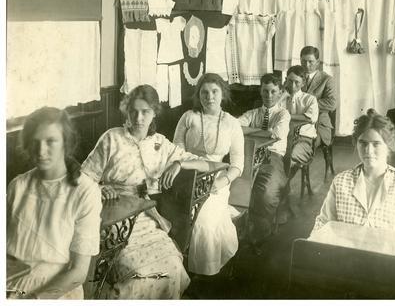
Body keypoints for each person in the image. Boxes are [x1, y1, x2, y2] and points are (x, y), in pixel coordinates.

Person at [82, 85, 212, 299]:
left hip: (145, 216)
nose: (139, 118)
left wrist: (178, 163)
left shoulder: (160, 143)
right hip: (113, 216)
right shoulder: (111, 139)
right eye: (133, 111)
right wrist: (100, 187)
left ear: (154, 113)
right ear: (126, 111)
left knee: (170, 264)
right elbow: (83, 177)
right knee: (136, 273)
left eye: (145, 112)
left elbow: (204, 164)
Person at [7, 107, 102, 299]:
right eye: (35, 142)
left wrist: (34, 300)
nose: (41, 151)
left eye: (51, 141)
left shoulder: (85, 191)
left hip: (56, 292)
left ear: (65, 144)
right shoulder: (18, 185)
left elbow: (78, 273)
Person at [173, 73, 244, 276]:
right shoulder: (189, 117)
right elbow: (176, 148)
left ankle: (202, 271)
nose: (209, 97)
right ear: (198, 95)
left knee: (202, 221)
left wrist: (222, 182)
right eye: (204, 92)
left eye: (214, 91)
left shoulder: (232, 123)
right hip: (185, 175)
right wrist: (183, 166)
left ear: (223, 94)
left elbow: (238, 164)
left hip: (216, 180)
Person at [312, 109, 395, 235]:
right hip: (346, 253)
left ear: (389, 146)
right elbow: (323, 225)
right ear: (356, 143)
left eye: (376, 144)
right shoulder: (341, 182)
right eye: (363, 143)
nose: (368, 151)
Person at [238, 74, 291, 248]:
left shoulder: (283, 113)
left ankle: (259, 234)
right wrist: (263, 131)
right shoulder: (252, 113)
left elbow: (277, 134)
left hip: (272, 157)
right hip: (248, 155)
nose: (268, 96)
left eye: (273, 92)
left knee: (265, 192)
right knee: (237, 187)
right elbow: (236, 127)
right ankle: (238, 230)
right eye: (265, 91)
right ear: (260, 92)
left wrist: (250, 131)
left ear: (279, 92)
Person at [279, 65, 319, 177]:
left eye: (297, 82)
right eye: (290, 81)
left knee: (289, 157)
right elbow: (271, 113)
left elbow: (310, 118)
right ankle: (279, 184)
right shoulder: (281, 97)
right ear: (285, 80)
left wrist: (285, 115)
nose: (292, 85)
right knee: (273, 156)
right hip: (282, 137)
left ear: (303, 83)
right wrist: (282, 96)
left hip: (304, 140)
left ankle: (283, 185)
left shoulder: (310, 99)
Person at [300, 46, 337, 151]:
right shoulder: (296, 77)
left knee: (302, 143)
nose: (306, 65)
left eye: (310, 62)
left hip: (319, 124)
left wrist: (305, 103)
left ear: (318, 62)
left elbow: (332, 103)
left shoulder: (327, 79)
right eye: (303, 61)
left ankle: (300, 164)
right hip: (297, 121)